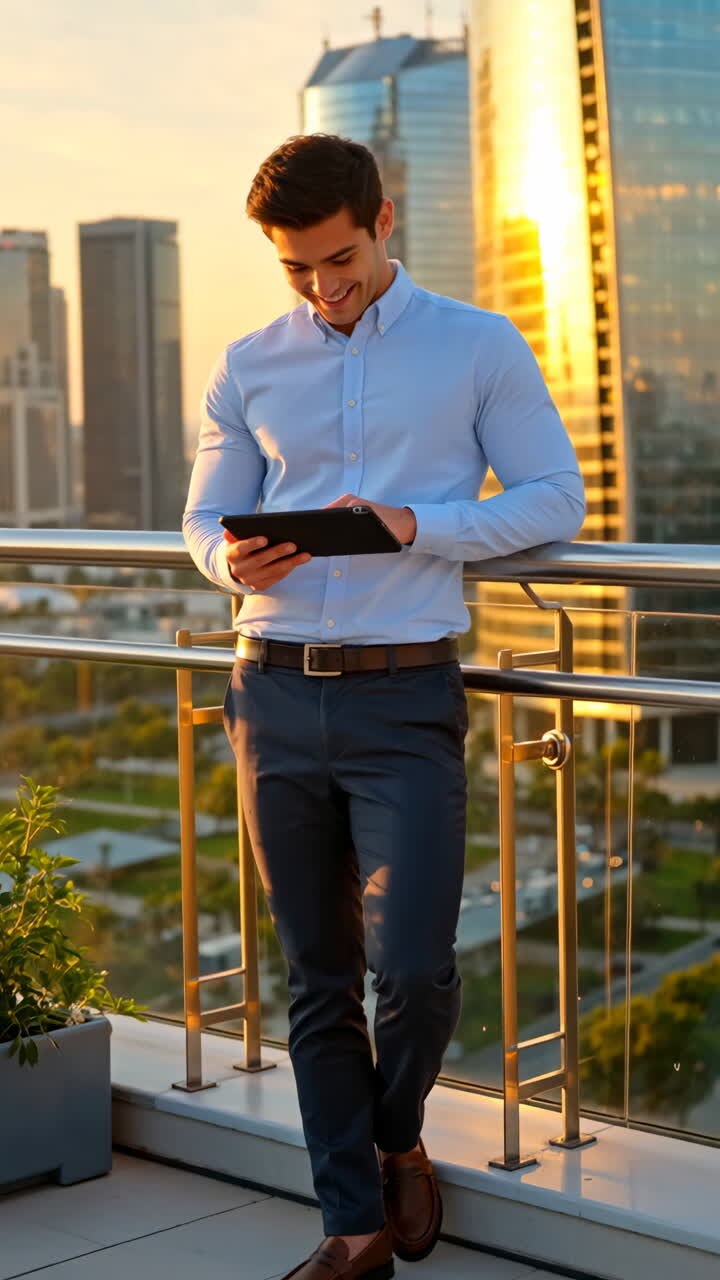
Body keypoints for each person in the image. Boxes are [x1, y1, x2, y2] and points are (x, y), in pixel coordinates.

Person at [183, 133, 585, 1280]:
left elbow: (558, 495)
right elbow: (204, 514)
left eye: (341, 257)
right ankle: (353, 1220)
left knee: (409, 967)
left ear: (385, 217)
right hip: (269, 688)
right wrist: (227, 560)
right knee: (315, 968)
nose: (323, 286)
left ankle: (399, 1129)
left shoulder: (477, 344)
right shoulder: (250, 360)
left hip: (406, 691)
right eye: (299, 268)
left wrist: (421, 523)